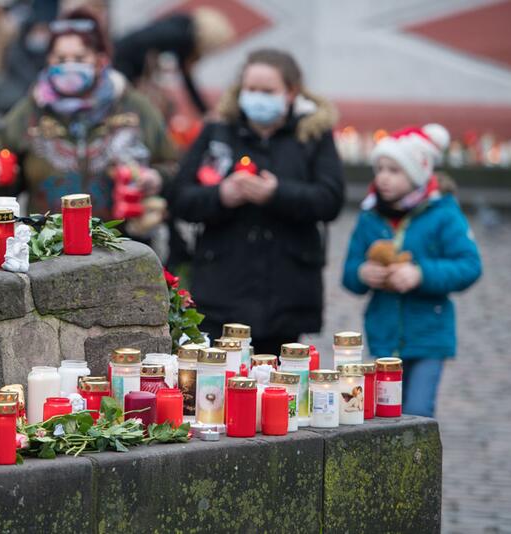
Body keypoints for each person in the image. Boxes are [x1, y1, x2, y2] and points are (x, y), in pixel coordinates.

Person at [168, 49, 344, 356]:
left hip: (287, 289)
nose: (257, 98)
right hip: (221, 285)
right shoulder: (217, 132)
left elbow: (330, 200)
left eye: (268, 91)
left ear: (290, 92)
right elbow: (180, 197)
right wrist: (221, 196)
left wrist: (277, 194)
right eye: (251, 90)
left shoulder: (312, 135)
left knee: (277, 386)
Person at [0, 9, 178, 224]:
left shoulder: (134, 107)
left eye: (79, 58)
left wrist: (157, 178)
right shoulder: (28, 112)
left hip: (123, 243)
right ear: (48, 61)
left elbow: (174, 166)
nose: (69, 66)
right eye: (60, 59)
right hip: (48, 245)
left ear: (100, 61)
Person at [342, 124, 482, 418]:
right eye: (379, 168)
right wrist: (362, 273)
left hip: (429, 335)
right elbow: (349, 272)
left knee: (417, 411)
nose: (383, 177)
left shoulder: (443, 213)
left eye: (394, 170)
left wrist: (421, 274)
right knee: (384, 414)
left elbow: (469, 265)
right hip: (384, 336)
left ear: (417, 173)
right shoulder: (370, 216)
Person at [113, 7, 235, 117]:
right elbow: (140, 45)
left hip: (121, 54)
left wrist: (204, 112)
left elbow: (188, 80)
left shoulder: (182, 27)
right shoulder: (181, 37)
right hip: (123, 61)